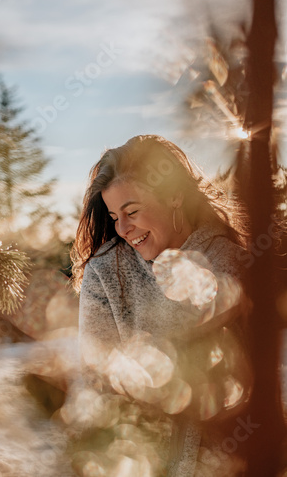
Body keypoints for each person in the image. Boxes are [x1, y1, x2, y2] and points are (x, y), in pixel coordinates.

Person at [71, 134, 252, 476]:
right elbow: (96, 379)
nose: (122, 228)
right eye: (113, 216)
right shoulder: (106, 271)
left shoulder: (227, 261)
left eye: (132, 211)